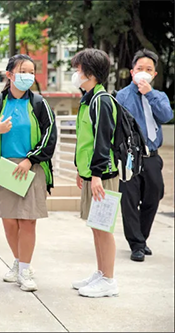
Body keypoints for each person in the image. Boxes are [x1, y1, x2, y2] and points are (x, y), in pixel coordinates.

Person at [0, 54, 56, 292]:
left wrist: (31, 160)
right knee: (9, 221)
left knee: (27, 221)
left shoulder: (39, 103)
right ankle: (18, 262)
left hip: (32, 168)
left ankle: (26, 270)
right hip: (5, 168)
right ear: (9, 75)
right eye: (23, 71)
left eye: (31, 71)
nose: (28, 76)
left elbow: (50, 136)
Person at [70, 48, 120, 298]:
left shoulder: (101, 100)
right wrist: (82, 170)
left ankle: (109, 280)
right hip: (93, 174)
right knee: (96, 226)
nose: (75, 73)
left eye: (78, 69)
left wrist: (97, 174)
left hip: (104, 175)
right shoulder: (89, 99)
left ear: (89, 73)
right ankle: (101, 273)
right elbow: (84, 141)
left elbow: (103, 140)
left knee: (104, 228)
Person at [116, 49, 173, 262]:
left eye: (148, 69)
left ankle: (141, 236)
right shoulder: (122, 96)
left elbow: (166, 116)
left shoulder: (159, 96)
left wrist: (149, 93)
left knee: (154, 196)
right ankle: (137, 245)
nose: (143, 72)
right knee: (129, 200)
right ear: (132, 72)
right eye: (140, 69)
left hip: (152, 157)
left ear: (154, 74)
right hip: (130, 156)